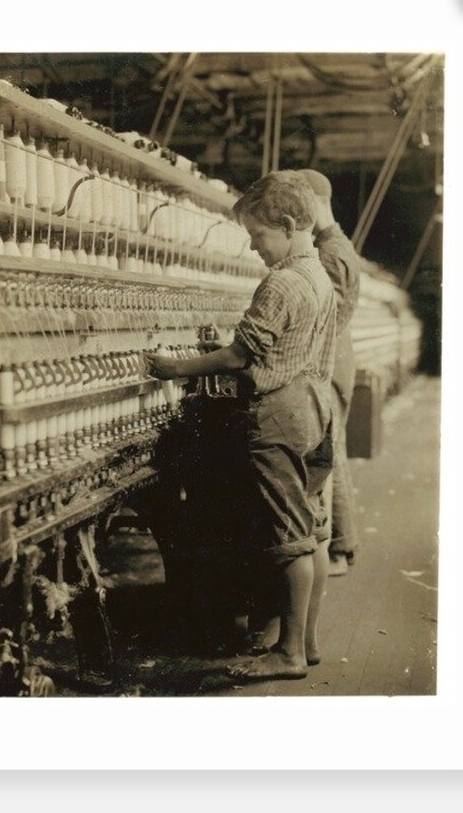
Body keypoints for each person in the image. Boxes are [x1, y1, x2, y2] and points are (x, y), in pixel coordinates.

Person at [145, 172, 336, 680]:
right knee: (312, 529)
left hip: (279, 414)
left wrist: (175, 367)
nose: (255, 249)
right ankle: (307, 643)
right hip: (316, 405)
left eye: (259, 236)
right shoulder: (320, 275)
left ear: (290, 225)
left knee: (288, 537)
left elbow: (237, 356)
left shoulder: (282, 281)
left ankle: (288, 655)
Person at [295, 169, 361, 575]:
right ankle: (341, 546)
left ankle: (337, 549)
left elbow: (328, 314)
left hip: (331, 366)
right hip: (335, 363)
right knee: (335, 455)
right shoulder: (332, 245)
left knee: (328, 456)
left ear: (315, 202)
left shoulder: (332, 251)